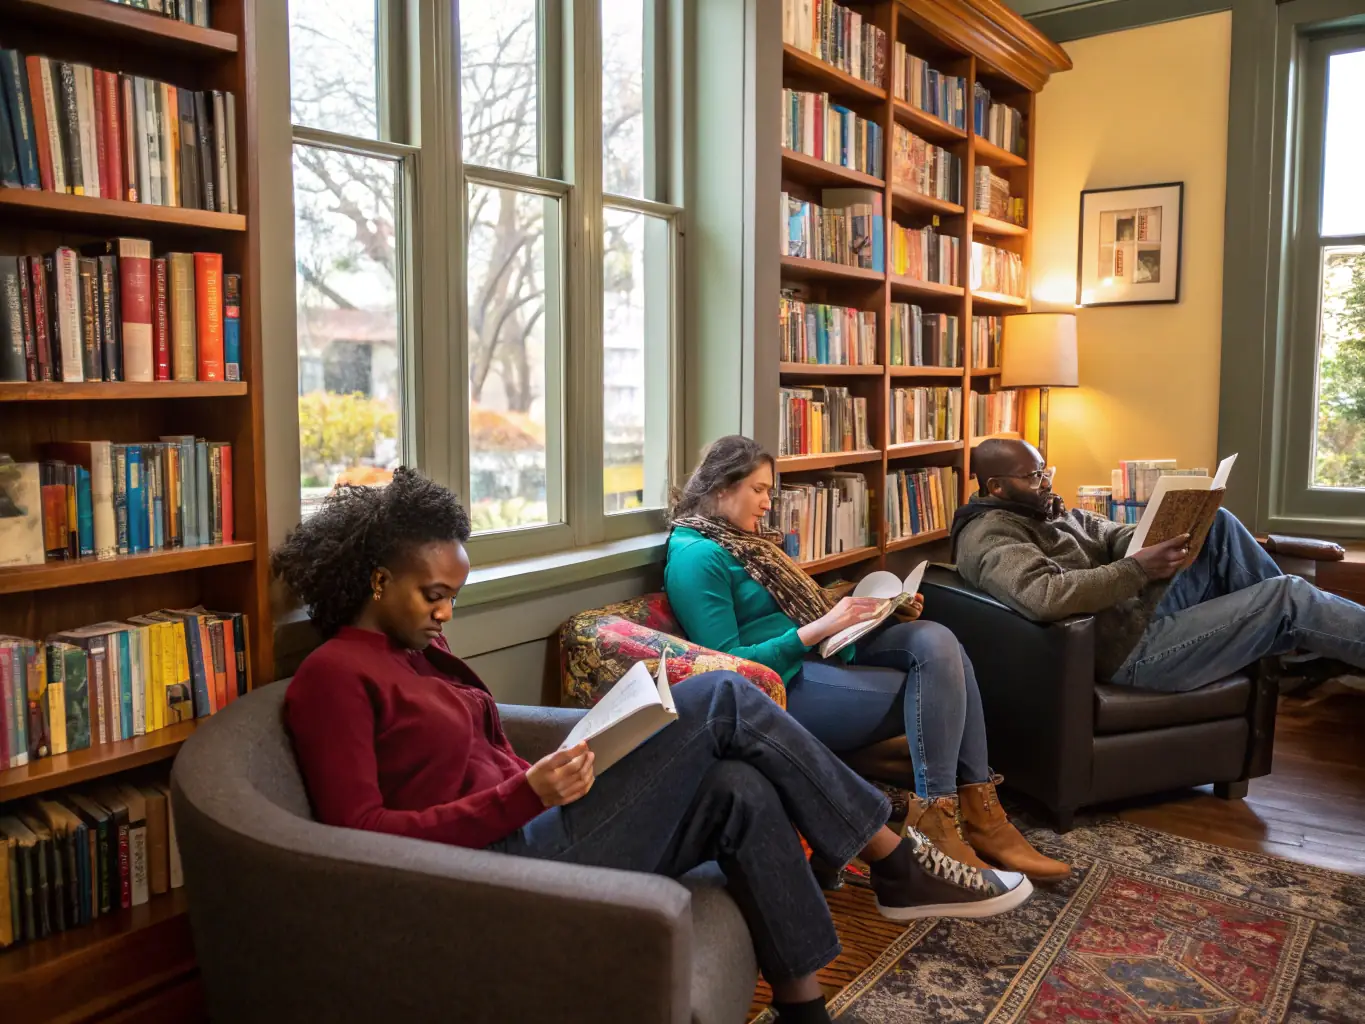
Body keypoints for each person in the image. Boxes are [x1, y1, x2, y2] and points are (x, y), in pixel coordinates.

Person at [273, 469, 1034, 1024]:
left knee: (740, 786)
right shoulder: (332, 677)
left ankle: (804, 1011)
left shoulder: (419, 656)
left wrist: (575, 760)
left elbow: (483, 756)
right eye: (432, 595)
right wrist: (524, 794)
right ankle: (892, 860)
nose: (445, 614)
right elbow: (358, 832)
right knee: (724, 696)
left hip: (532, 828)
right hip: (493, 871)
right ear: (375, 580)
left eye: (453, 598)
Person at [662, 436, 1069, 883]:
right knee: (942, 683)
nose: (766, 503)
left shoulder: (747, 542)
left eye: (768, 492)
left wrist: (875, 608)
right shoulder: (697, 557)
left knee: (937, 641)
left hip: (825, 653)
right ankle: (948, 818)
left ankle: (978, 815)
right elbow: (730, 668)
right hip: (783, 687)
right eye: (758, 490)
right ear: (723, 487)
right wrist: (819, 627)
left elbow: (798, 608)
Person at [953, 438, 1365, 692]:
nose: (1047, 483)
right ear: (997, 487)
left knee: (1217, 522)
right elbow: (1046, 595)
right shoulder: (991, 535)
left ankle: (1287, 643)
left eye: (1047, 471)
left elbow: (1110, 535)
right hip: (1125, 652)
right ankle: (1291, 638)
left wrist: (1164, 530)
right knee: (1287, 595)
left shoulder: (1047, 509)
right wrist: (1139, 569)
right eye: (1035, 477)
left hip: (1134, 616)